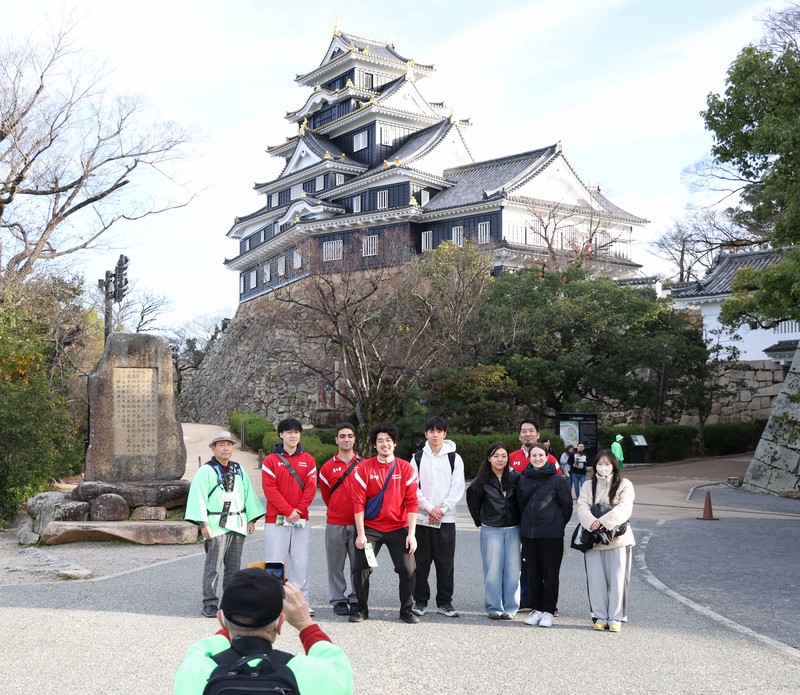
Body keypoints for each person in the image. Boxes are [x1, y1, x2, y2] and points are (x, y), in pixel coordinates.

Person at [174, 568, 353, 694]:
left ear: (221, 619)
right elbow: (339, 666)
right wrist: (305, 624)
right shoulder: (309, 674)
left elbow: (204, 648)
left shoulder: (195, 670)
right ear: (280, 623)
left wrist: (232, 619)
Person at [185, 431, 265, 618]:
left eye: (229, 444)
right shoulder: (205, 471)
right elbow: (198, 497)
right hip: (216, 525)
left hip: (237, 523)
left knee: (234, 568)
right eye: (221, 445)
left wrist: (251, 519)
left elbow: (248, 495)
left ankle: (230, 602)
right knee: (213, 567)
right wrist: (203, 524)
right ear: (213, 448)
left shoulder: (238, 469)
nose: (226, 448)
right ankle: (210, 602)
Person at [350, 421, 419, 624]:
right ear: (374, 445)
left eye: (388, 440)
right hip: (371, 529)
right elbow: (358, 502)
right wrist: (361, 534)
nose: (384, 444)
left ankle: (406, 610)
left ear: (394, 443)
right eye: (380, 441)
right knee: (361, 567)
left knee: (408, 569)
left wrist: (411, 534)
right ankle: (361, 609)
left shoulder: (405, 468)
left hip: (399, 528)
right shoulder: (364, 468)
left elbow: (412, 502)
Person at [410, 416, 465, 618]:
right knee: (420, 562)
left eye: (439, 431)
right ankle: (420, 601)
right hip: (422, 519)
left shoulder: (454, 458)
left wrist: (441, 509)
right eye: (431, 431)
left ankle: (444, 602)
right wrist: (429, 508)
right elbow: (413, 487)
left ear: (445, 433)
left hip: (446, 519)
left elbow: (457, 487)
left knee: (445, 563)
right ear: (426, 434)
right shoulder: (417, 458)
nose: (435, 435)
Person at [262, 418, 317, 613]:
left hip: (301, 520)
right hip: (276, 520)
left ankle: (301, 603)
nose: (293, 436)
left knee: (300, 563)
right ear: (281, 435)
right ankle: (273, 603)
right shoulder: (270, 460)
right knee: (275, 562)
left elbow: (310, 488)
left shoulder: (309, 460)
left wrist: (298, 511)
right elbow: (270, 489)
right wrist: (288, 511)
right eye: (289, 432)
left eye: (296, 432)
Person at [577, 450, 635, 633]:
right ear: (595, 466)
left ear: (614, 466)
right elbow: (582, 506)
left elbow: (624, 508)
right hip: (594, 540)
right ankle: (599, 616)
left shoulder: (624, 484)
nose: (603, 467)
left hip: (618, 540)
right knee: (596, 581)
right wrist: (591, 522)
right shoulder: (588, 485)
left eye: (607, 464)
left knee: (618, 580)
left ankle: (616, 617)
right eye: (600, 464)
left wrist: (602, 522)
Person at [517, 443, 573, 628]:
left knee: (550, 574)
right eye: (534, 455)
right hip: (530, 535)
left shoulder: (558, 480)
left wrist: (556, 524)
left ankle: (548, 610)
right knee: (533, 573)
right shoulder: (523, 479)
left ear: (547, 457)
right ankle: (537, 609)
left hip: (551, 535)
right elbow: (520, 505)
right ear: (529, 458)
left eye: (541, 455)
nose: (537, 458)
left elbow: (567, 507)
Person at [508, 419, 560, 610]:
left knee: (545, 563)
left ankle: (547, 603)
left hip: (545, 523)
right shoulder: (511, 458)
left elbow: (560, 490)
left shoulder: (549, 459)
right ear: (519, 436)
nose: (527, 434)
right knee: (523, 561)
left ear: (538, 434)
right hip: (518, 518)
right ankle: (525, 598)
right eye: (524, 431)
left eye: (531, 431)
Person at [466, 443, 521, 620]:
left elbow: (522, 500)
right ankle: (494, 607)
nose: (500, 459)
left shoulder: (516, 477)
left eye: (504, 456)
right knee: (492, 569)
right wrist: (482, 520)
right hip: (491, 529)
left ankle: (511, 607)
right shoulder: (481, 480)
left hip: (513, 528)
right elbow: (473, 501)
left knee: (513, 570)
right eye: (496, 456)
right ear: (489, 458)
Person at [318, 423, 362, 617]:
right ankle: (338, 598)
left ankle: (357, 597)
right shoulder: (327, 467)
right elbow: (327, 496)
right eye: (342, 436)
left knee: (358, 564)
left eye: (350, 436)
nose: (346, 439)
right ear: (336, 440)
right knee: (335, 564)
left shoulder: (364, 465)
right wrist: (337, 509)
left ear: (354, 439)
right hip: (335, 522)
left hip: (359, 523)